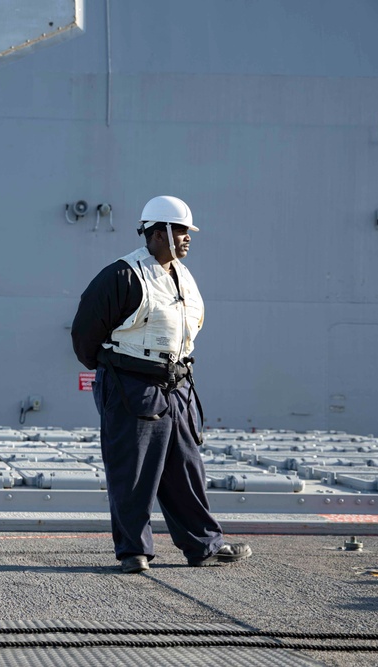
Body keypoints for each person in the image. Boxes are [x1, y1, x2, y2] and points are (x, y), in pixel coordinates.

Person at [71, 195, 251, 573]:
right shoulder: (123, 274)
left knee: (186, 467)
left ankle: (203, 545)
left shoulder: (182, 275)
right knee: (132, 469)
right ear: (158, 233)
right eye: (182, 231)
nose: (188, 238)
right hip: (131, 385)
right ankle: (134, 551)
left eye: (188, 232)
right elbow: (85, 335)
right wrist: (116, 370)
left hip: (176, 385)